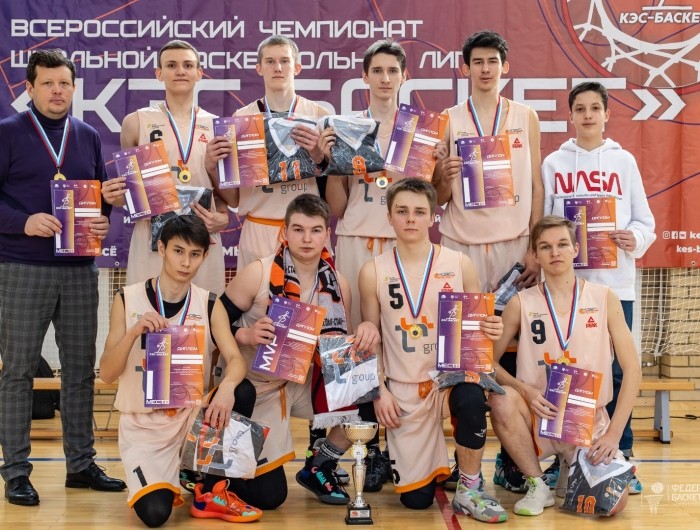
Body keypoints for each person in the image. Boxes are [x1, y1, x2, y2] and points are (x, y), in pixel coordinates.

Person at [0, 49, 125, 506]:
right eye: (48, 83)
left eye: (65, 84)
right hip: (21, 267)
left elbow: (99, 197)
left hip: (78, 270)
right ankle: (16, 472)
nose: (57, 91)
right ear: (29, 88)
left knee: (79, 371)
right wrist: (23, 222)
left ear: (74, 88)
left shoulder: (87, 135)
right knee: (17, 372)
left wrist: (104, 219)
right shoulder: (8, 133)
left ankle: (80, 465)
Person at [432, 30, 545, 491]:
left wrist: (534, 246)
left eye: (492, 61)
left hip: (513, 247)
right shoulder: (448, 119)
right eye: (477, 61)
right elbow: (437, 196)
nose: (484, 69)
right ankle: (463, 461)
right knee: (460, 357)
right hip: (461, 248)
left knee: (512, 353)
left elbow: (535, 184)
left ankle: (514, 460)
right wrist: (443, 176)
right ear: (465, 68)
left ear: (505, 67)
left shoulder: (526, 116)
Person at [99, 214, 262, 527]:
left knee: (241, 390)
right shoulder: (127, 299)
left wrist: (227, 388)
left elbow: (235, 359)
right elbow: (106, 373)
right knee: (155, 515)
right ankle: (183, 473)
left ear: (204, 256)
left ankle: (210, 489)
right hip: (145, 427)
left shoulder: (209, 303)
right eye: (178, 251)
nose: (186, 262)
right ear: (161, 248)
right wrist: (134, 333)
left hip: (190, 418)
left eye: (195, 254)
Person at [359, 179, 507, 522]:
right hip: (404, 388)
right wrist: (380, 391)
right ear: (389, 217)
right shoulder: (372, 271)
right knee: (416, 501)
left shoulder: (460, 263)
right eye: (402, 211)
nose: (411, 219)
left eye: (419, 211)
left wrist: (492, 330)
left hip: (449, 379)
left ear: (432, 216)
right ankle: (436, 467)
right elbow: (372, 340)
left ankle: (470, 485)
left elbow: (478, 331)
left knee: (471, 398)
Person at [219, 194, 379, 509]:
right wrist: (245, 334)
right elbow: (216, 317)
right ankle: (212, 465)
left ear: (327, 235)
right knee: (270, 497)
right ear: (285, 232)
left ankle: (319, 466)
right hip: (259, 388)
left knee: (365, 394)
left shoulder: (338, 284)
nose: (307, 239)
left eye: (315, 230)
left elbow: (338, 351)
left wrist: (364, 332)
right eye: (298, 230)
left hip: (302, 381)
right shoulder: (258, 273)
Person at [541, 82, 656, 494]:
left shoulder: (623, 161)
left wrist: (633, 238)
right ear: (570, 115)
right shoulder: (554, 163)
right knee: (566, 370)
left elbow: (646, 222)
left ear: (607, 114)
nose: (588, 115)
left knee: (619, 371)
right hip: (567, 288)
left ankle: (620, 455)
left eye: (595, 108)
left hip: (615, 284)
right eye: (580, 108)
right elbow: (544, 222)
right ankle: (564, 459)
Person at [488, 215, 642, 516]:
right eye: (545, 247)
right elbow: (487, 363)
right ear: (535, 255)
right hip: (539, 414)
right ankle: (537, 485)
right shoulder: (521, 302)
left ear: (575, 249)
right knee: (501, 399)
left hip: (586, 421)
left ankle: (571, 468)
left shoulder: (604, 298)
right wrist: (524, 390)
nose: (554, 252)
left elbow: (633, 370)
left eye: (561, 244)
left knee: (612, 505)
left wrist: (614, 436)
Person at [323, 39, 417, 492]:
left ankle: (388, 449)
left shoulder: (418, 129)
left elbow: (429, 195)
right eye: (376, 70)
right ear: (364, 76)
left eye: (392, 70)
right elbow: (337, 206)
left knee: (397, 342)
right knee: (353, 344)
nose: (384, 78)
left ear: (404, 76)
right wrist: (334, 166)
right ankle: (347, 448)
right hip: (356, 239)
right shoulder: (348, 127)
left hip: (402, 244)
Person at [104, 40, 229, 295]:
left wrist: (223, 217)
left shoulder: (217, 126)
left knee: (202, 314)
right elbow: (127, 193)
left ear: (199, 73)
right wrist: (114, 196)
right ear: (159, 74)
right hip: (153, 239)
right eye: (171, 65)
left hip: (201, 238)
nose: (180, 71)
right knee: (148, 312)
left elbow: (221, 194)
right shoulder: (136, 122)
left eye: (188, 65)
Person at [205, 35, 328, 272]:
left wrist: (319, 157)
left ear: (297, 67)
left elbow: (334, 188)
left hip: (306, 230)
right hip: (258, 229)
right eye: (270, 61)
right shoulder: (241, 119)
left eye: (285, 61)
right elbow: (234, 199)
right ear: (259, 68)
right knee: (256, 297)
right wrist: (212, 167)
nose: (278, 67)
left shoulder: (319, 115)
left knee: (310, 295)